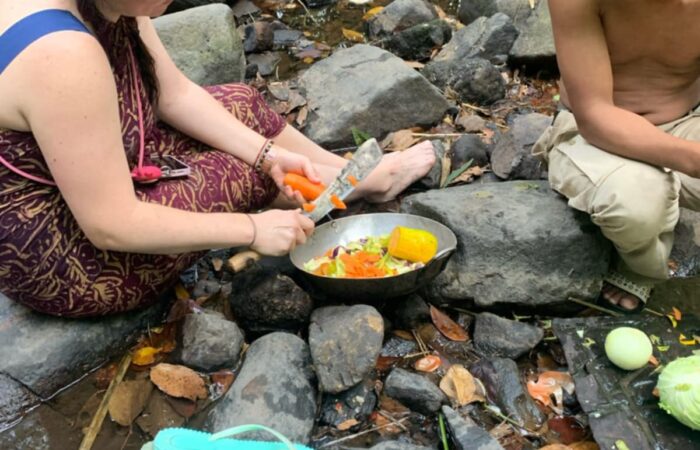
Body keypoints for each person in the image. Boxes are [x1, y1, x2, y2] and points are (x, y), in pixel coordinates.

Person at [0, 0, 437, 318]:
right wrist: (253, 228)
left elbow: (174, 95)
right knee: (237, 173)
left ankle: (354, 178)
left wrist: (269, 156)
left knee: (241, 103)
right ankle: (351, 184)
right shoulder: (63, 56)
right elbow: (110, 223)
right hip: (67, 251)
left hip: (98, 165)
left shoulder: (117, 4)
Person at [534, 0, 700, 312]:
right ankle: (642, 266)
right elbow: (594, 114)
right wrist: (691, 159)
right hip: (595, 136)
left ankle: (664, 196)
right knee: (635, 204)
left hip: (687, 120)